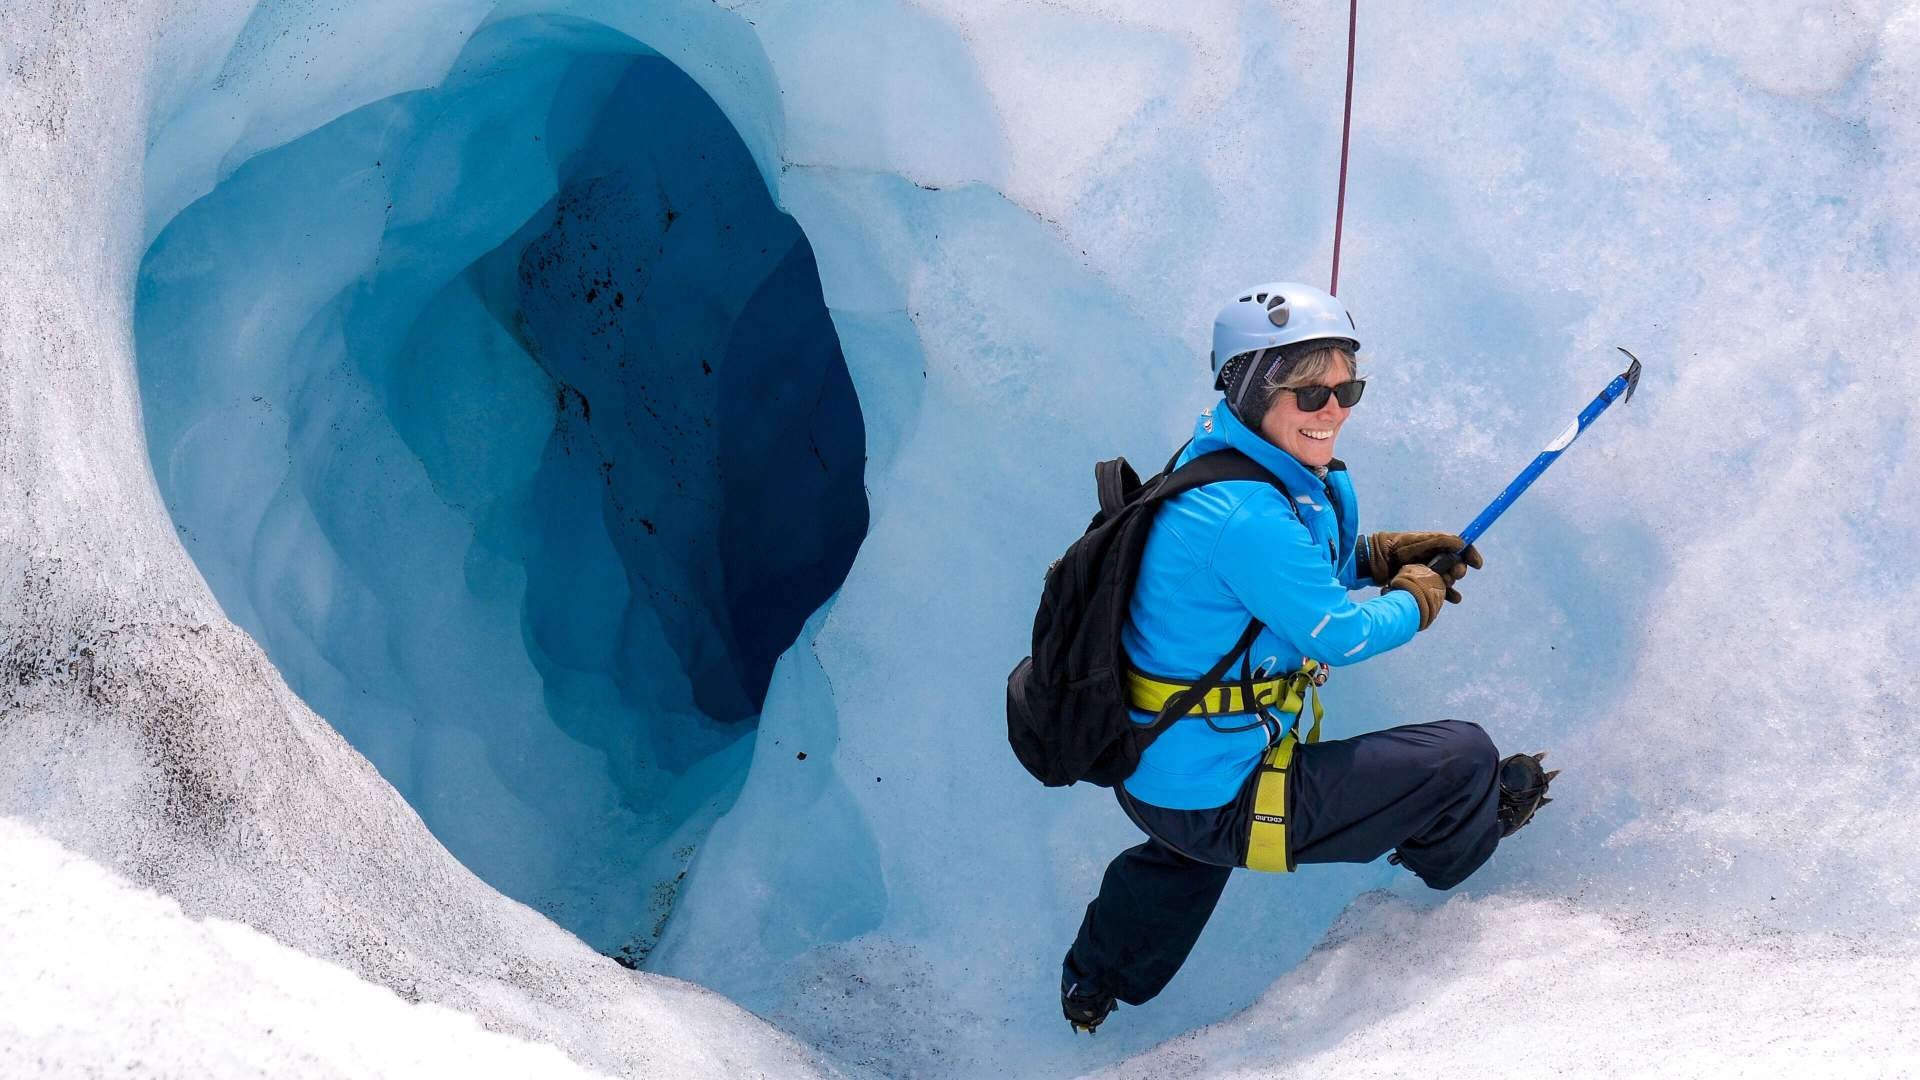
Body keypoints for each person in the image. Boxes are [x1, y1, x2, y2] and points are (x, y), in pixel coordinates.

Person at [1060, 282, 1554, 1033]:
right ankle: (1457, 839)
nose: (1334, 410)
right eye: (1310, 392)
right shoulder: (1245, 513)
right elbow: (1337, 634)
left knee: (1186, 856)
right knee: (1462, 758)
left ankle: (1095, 982)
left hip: (1160, 772)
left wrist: (1375, 556)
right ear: (1252, 389)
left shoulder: (1217, 466)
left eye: (1347, 389)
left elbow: (1274, 575)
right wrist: (1414, 596)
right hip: (1219, 794)